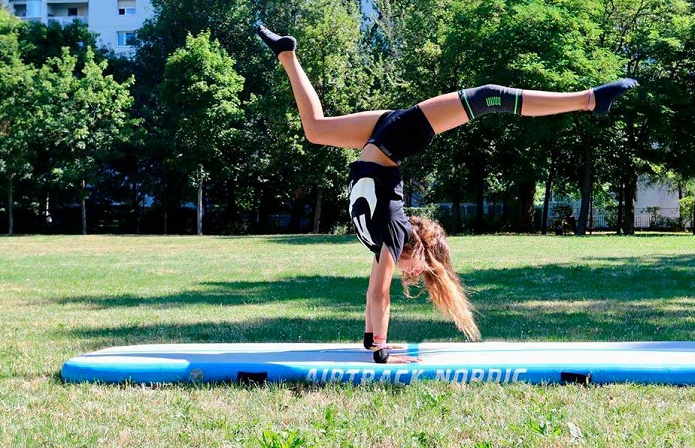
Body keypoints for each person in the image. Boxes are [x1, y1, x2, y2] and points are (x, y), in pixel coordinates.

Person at [256, 25, 636, 364]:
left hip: (381, 139)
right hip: (393, 141)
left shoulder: (384, 244)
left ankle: (287, 54)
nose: (414, 276)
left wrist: (375, 344)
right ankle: (589, 99)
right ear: (420, 251)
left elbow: (375, 296)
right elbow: (379, 295)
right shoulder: (394, 235)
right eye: (422, 272)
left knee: (316, 129)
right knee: (489, 96)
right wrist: (382, 352)